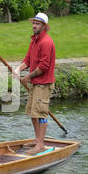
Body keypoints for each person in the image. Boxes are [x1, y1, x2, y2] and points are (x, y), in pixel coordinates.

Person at [13, 12, 56, 154]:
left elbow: (43, 66)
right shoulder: (34, 41)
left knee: (41, 113)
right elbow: (28, 60)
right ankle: (37, 140)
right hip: (36, 83)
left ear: (44, 26)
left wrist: (28, 77)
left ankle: (41, 145)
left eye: (37, 23)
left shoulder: (46, 42)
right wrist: (18, 69)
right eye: (33, 23)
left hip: (43, 84)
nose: (34, 25)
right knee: (33, 112)